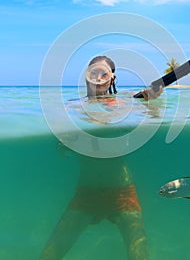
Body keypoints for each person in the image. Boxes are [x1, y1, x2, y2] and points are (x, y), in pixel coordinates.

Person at [39, 56, 163, 260]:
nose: (97, 77)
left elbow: (155, 119)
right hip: (86, 194)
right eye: (93, 72)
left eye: (103, 73)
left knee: (139, 254)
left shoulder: (125, 103)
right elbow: (62, 151)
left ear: (112, 78)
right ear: (86, 76)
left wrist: (152, 101)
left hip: (122, 193)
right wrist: (66, 142)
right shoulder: (72, 107)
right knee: (50, 254)